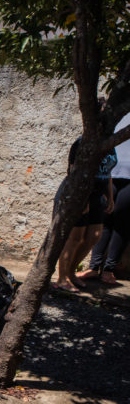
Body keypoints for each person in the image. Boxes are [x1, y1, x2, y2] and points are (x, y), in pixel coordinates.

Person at [53, 137, 115, 292]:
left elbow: (107, 172)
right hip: (79, 194)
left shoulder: (111, 143)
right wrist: (81, 198)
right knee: (74, 238)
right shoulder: (83, 142)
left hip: (97, 197)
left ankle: (71, 273)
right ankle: (62, 278)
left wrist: (110, 197)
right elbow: (74, 170)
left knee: (94, 235)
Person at [79, 111, 130, 285]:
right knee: (104, 219)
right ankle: (94, 267)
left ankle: (108, 270)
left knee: (121, 223)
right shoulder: (119, 111)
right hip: (109, 174)